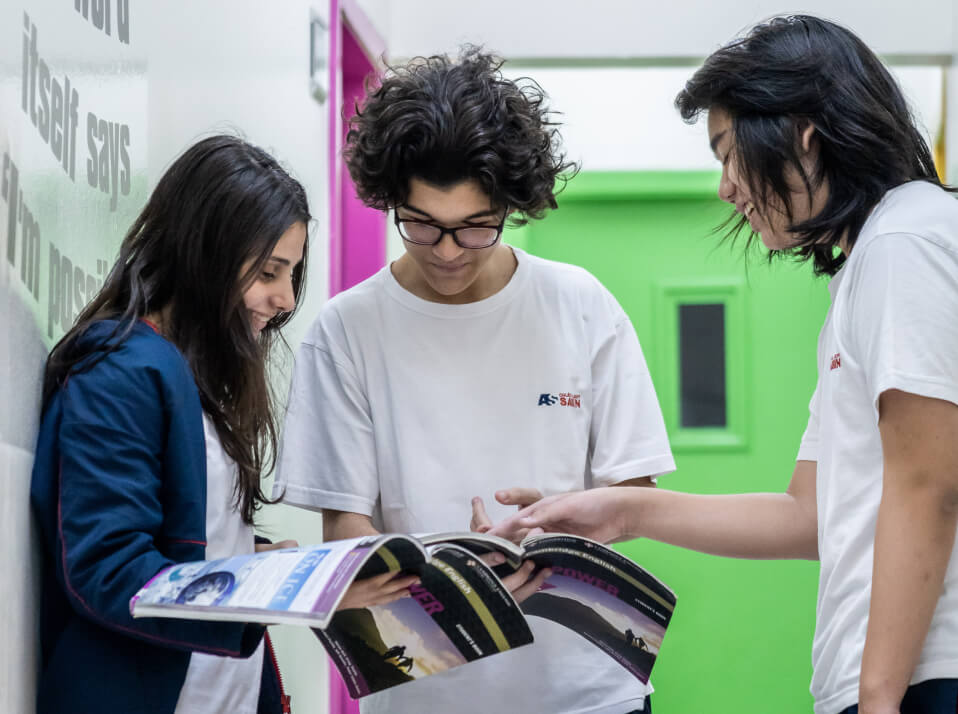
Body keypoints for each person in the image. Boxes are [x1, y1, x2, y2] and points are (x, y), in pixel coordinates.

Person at [493, 15, 958, 714]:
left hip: (922, 678)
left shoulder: (906, 241)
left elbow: (930, 486)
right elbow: (811, 516)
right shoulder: (867, 268)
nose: (725, 188)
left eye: (726, 152)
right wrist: (623, 510)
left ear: (803, 131)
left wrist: (878, 697)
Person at [274, 47, 675, 714]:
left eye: (475, 227)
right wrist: (454, 586)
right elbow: (344, 530)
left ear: (510, 204)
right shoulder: (348, 330)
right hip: (424, 697)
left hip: (587, 694)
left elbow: (635, 495)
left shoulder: (580, 304)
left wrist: (558, 526)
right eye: (423, 226)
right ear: (390, 199)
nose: (450, 252)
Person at [30, 135, 418, 714]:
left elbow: (192, 541)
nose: (286, 298)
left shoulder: (188, 373)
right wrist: (286, 593)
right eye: (269, 272)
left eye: (291, 273)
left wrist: (263, 564)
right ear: (204, 253)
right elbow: (106, 570)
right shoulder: (120, 371)